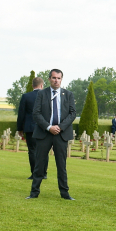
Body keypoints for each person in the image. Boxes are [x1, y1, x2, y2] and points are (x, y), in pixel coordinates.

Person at [26, 69, 77, 200]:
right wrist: (49, 127)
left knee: (61, 165)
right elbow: (36, 113)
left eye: (59, 78)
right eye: (54, 78)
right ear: (49, 79)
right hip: (44, 134)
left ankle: (65, 193)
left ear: (61, 79)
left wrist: (60, 127)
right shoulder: (42, 94)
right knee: (39, 164)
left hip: (61, 134)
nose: (56, 80)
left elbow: (72, 114)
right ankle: (34, 192)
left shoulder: (68, 94)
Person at [17, 76, 47, 179]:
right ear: (42, 85)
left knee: (32, 150)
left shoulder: (26, 96)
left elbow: (21, 114)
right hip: (44, 127)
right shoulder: (46, 96)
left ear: (32, 85)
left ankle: (35, 174)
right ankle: (43, 173)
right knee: (44, 150)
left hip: (30, 127)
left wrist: (20, 129)